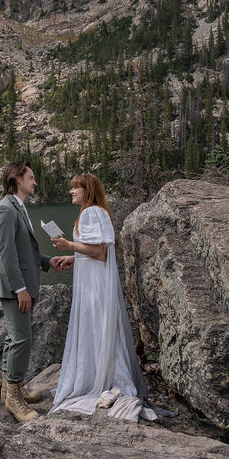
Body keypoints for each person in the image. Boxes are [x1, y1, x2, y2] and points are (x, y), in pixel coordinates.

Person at [49, 173, 160, 421]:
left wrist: (69, 246)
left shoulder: (91, 212)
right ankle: (104, 372)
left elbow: (99, 252)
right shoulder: (96, 212)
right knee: (99, 327)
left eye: (75, 188)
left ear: (86, 190)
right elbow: (98, 251)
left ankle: (102, 377)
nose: (71, 192)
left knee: (96, 327)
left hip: (94, 283)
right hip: (94, 279)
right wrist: (73, 257)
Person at [0, 160, 72, 422]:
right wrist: (20, 289)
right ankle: (14, 397)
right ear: (17, 179)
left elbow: (25, 251)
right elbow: (6, 255)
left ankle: (9, 389)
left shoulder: (19, 209)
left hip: (20, 284)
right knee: (22, 338)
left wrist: (47, 261)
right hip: (14, 287)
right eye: (31, 178)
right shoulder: (5, 210)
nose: (35, 182)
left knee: (14, 338)